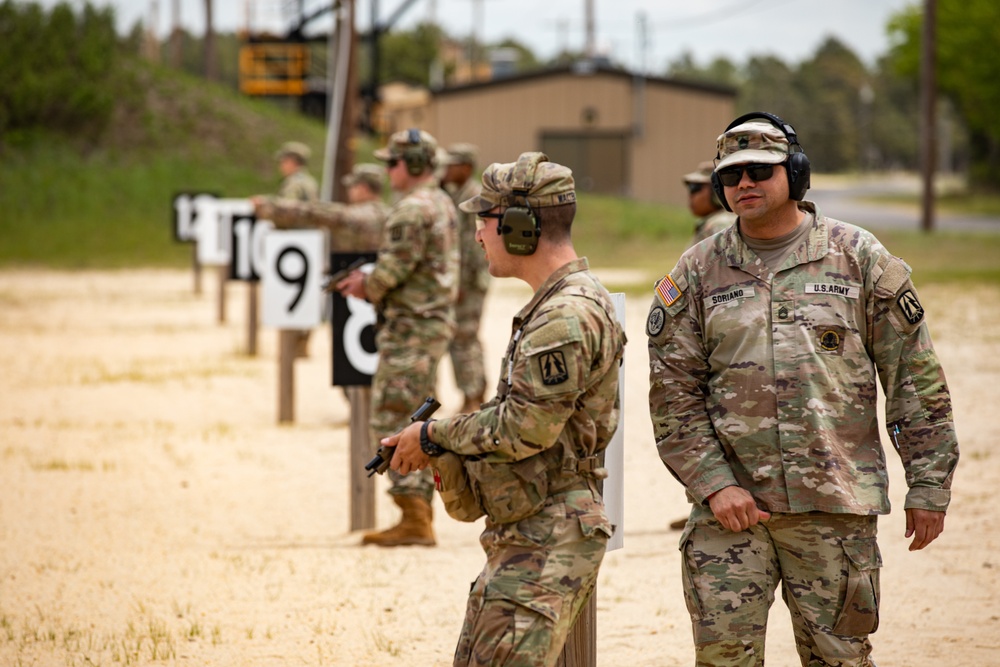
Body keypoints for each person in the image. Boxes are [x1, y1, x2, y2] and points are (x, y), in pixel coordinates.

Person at [646, 112, 959, 666]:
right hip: (730, 516)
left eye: (760, 171)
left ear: (795, 173)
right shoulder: (696, 272)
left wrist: (929, 483)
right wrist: (716, 485)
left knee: (840, 659)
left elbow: (914, 377)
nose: (744, 184)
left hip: (834, 510)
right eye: (732, 174)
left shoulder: (859, 257)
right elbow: (673, 395)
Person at [382, 151, 627, 666]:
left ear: (520, 228)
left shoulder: (563, 316)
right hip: (530, 528)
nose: (477, 236)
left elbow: (524, 427)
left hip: (546, 533)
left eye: (485, 221)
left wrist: (435, 436)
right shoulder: (559, 304)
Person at [336, 129, 459, 548]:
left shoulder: (411, 210)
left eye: (393, 163)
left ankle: (414, 516)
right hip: (430, 323)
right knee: (415, 413)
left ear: (415, 165)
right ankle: (416, 512)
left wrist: (364, 286)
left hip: (410, 328)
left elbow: (391, 272)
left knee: (395, 415)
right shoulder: (441, 202)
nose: (389, 171)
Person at [440, 143, 490, 414]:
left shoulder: (473, 197)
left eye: (452, 164)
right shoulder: (452, 193)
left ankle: (474, 396)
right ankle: (470, 393)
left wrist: (460, 283)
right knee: (459, 339)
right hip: (460, 281)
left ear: (466, 168)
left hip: (468, 282)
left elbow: (473, 248)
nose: (446, 169)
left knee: (465, 338)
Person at [252, 163, 388, 253]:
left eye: (352, 186)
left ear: (363, 188)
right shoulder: (390, 213)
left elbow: (310, 212)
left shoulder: (351, 215)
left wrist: (268, 205)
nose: (349, 191)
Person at [683, 160, 736, 248]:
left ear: (717, 191)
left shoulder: (721, 224)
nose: (690, 195)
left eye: (695, 188)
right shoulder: (713, 223)